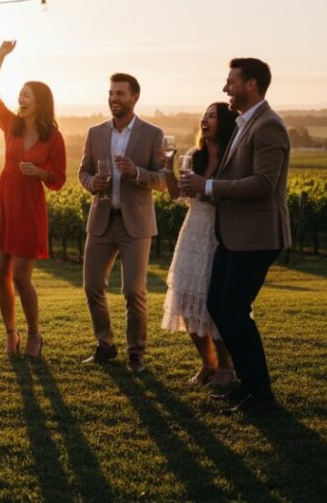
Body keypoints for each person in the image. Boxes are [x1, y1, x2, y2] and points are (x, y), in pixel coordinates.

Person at [180, 58, 291, 416]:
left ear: (252, 85)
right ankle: (248, 385)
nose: (226, 88)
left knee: (233, 311)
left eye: (232, 82)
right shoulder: (245, 124)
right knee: (218, 305)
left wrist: (209, 185)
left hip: (258, 235)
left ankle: (261, 396)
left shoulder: (269, 127)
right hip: (232, 234)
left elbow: (263, 184)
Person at [0, 41, 67, 357]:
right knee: (0, 272)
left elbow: (58, 180)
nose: (20, 98)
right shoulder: (10, 124)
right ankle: (10, 333)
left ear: (41, 102)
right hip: (4, 199)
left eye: (26, 94)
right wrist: (0, 55)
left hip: (29, 206)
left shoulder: (53, 138)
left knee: (21, 277)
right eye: (20, 94)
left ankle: (33, 334)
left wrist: (40, 173)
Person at [79, 73, 166, 373]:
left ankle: (136, 354)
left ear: (134, 97)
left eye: (120, 94)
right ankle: (105, 345)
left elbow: (164, 180)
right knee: (92, 286)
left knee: (133, 291)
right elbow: (83, 172)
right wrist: (93, 183)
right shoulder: (95, 133)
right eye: (111, 93)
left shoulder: (153, 134)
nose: (114, 98)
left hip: (136, 225)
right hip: (102, 220)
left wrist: (136, 173)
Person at [161, 102, 238, 388]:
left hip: (220, 233)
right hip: (192, 231)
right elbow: (174, 194)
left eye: (213, 116)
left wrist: (203, 186)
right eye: (204, 115)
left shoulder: (233, 159)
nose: (205, 120)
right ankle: (208, 363)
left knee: (215, 301)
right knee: (185, 297)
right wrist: (166, 167)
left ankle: (227, 367)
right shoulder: (195, 156)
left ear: (225, 123)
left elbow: (230, 196)